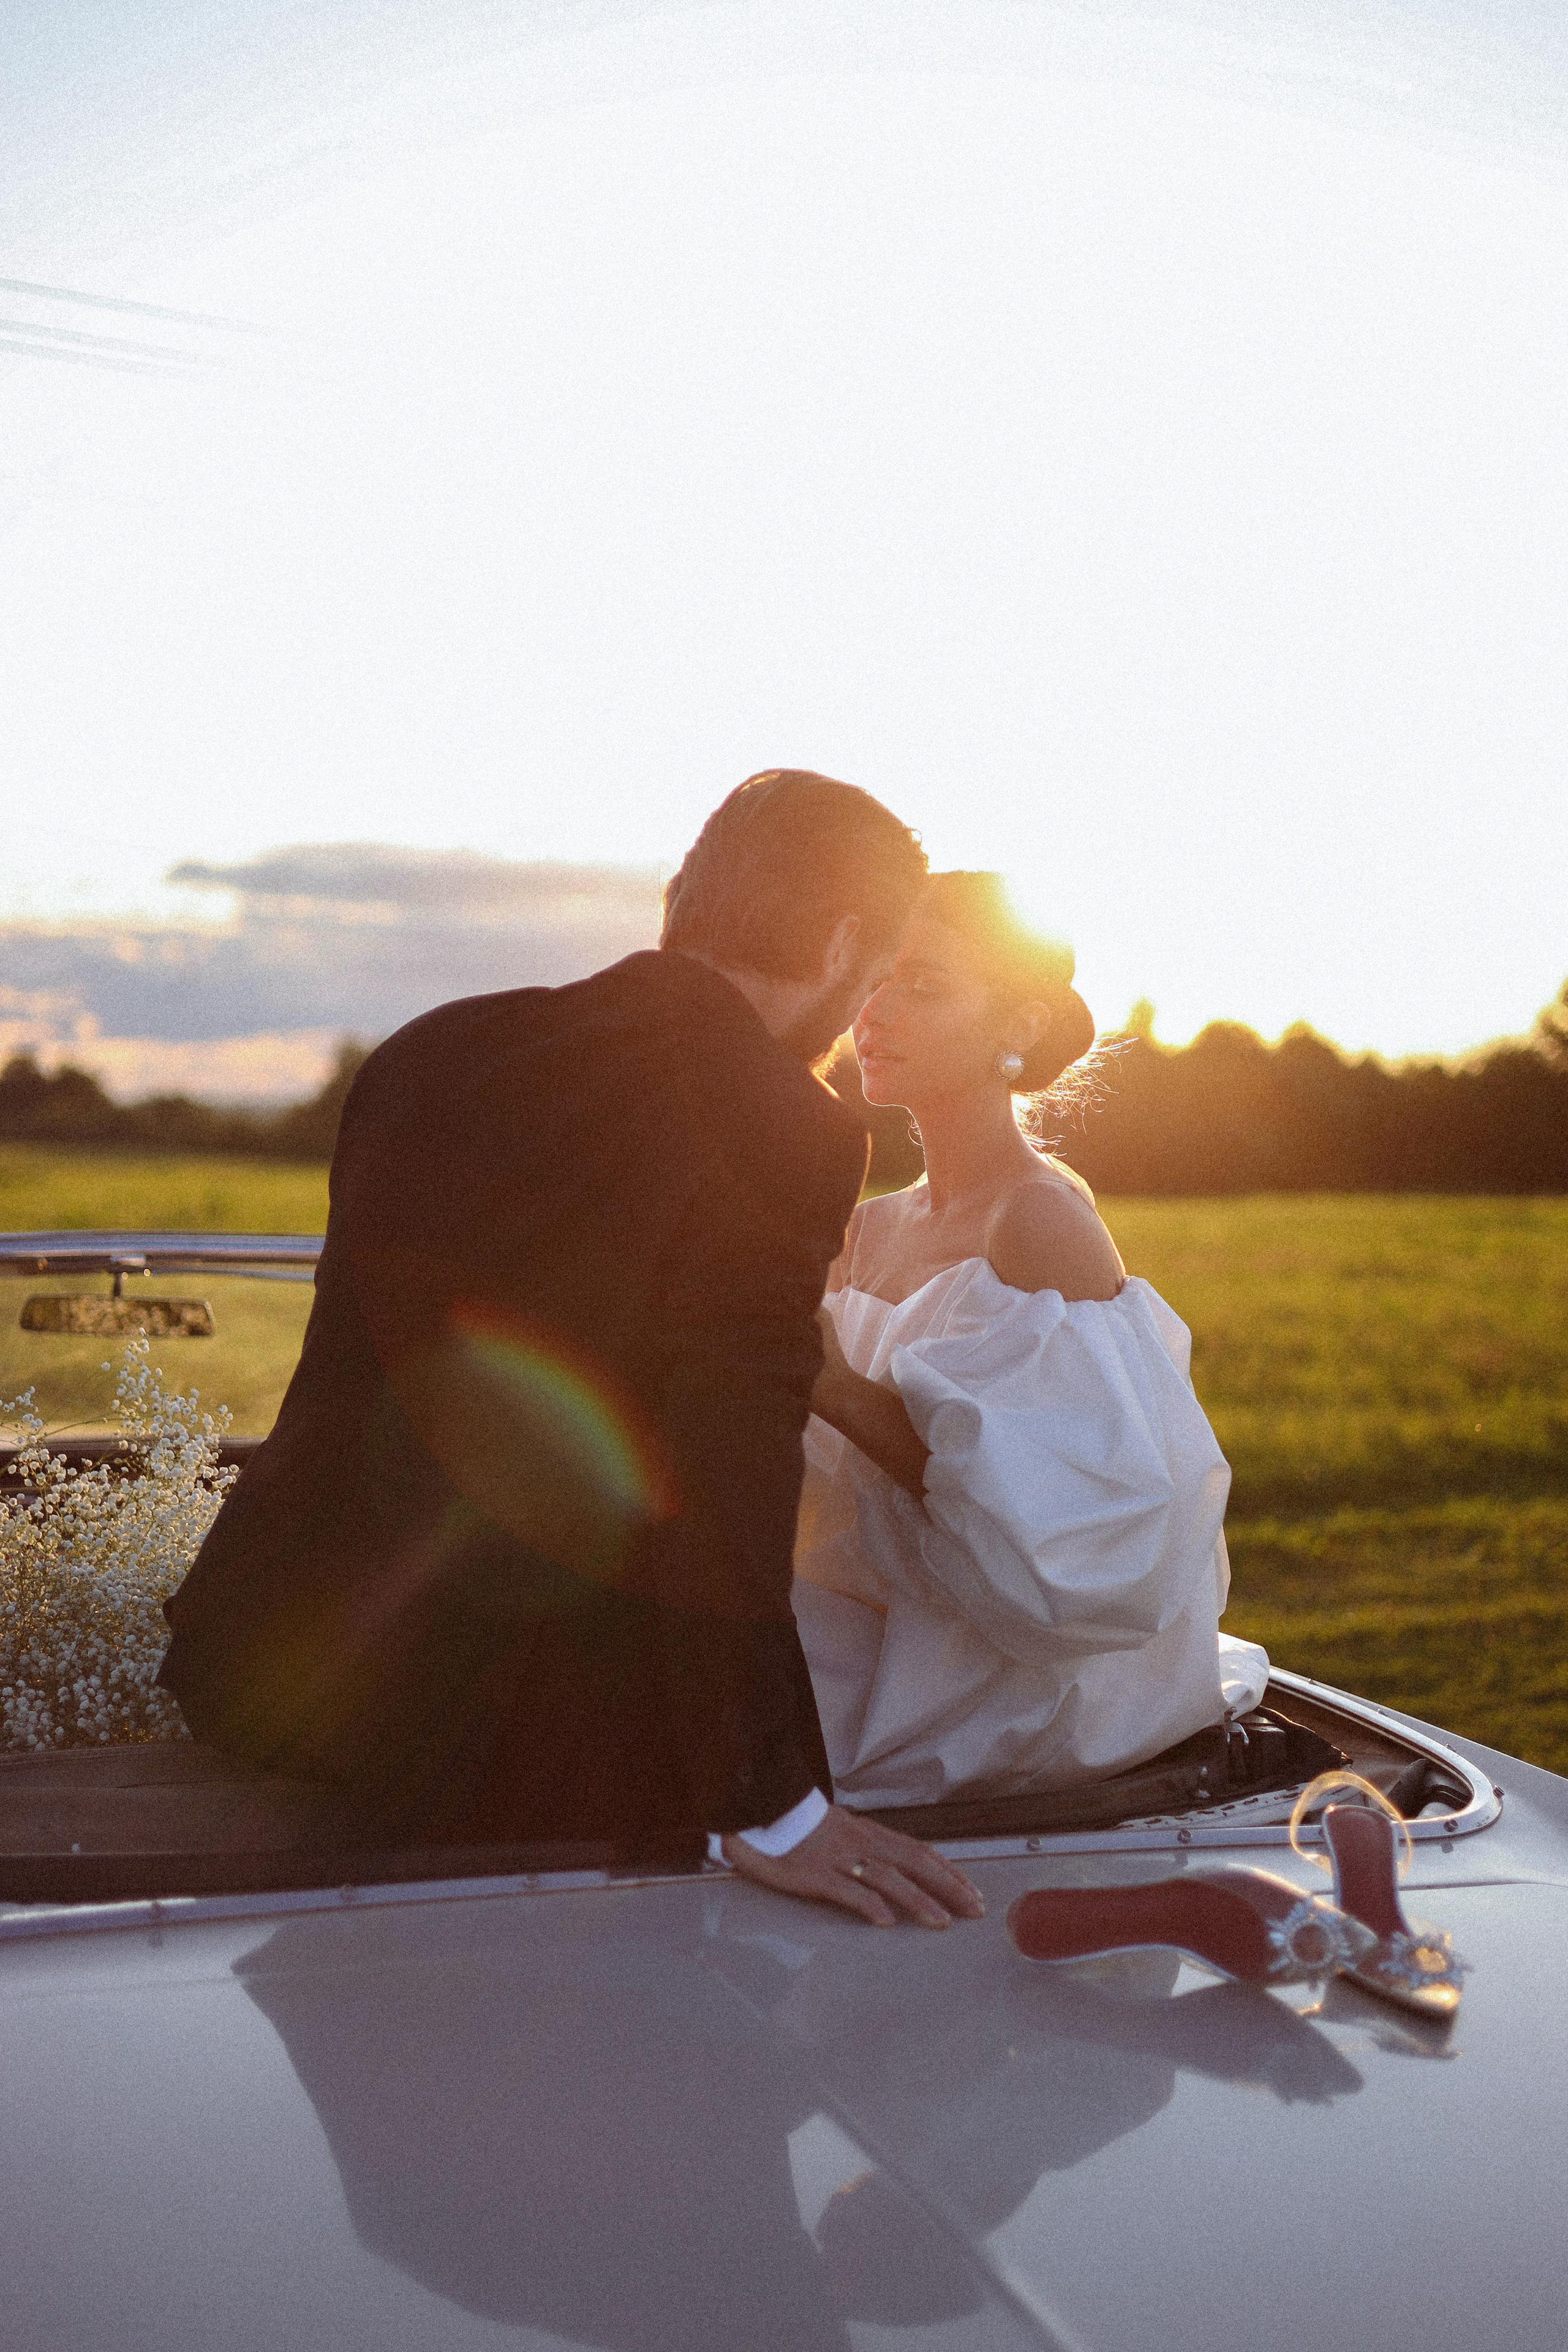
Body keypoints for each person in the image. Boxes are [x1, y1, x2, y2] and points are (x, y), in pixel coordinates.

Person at [159, 772, 982, 1930]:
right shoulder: (784, 1123)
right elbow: (730, 1462)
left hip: (277, 1667)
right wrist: (773, 1803)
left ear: (684, 896)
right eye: (878, 969)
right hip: (501, 1737)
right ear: (848, 941)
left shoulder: (434, 1049)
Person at [794, 870, 1269, 1809]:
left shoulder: (1040, 1222)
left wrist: (838, 1386)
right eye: (874, 980)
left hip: (989, 1684)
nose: (876, 1013)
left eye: (923, 986)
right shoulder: (868, 1227)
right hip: (864, 1631)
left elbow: (1079, 1538)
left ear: (1016, 1026)